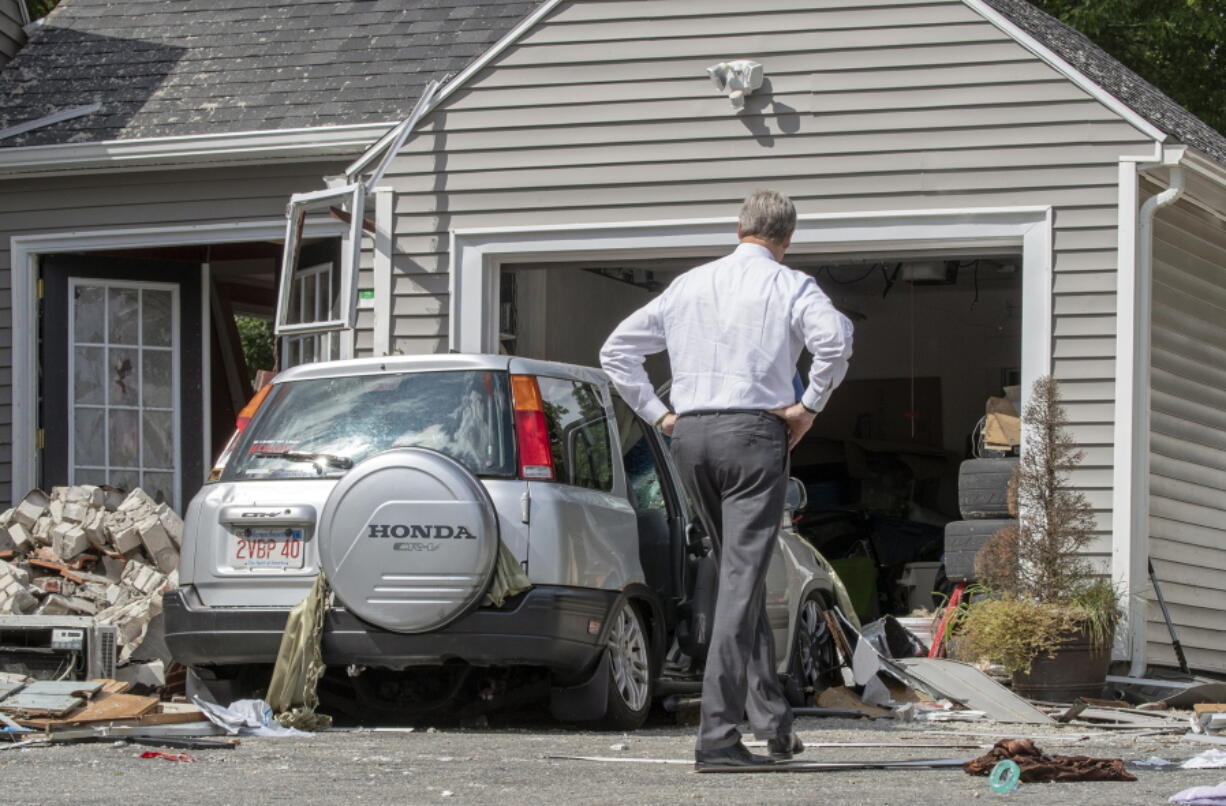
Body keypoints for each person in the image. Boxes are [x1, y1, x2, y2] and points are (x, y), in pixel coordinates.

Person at [599, 189, 854, 769]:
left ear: (739, 228)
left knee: (743, 578)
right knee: (741, 581)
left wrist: (658, 415)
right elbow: (835, 341)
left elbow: (617, 352)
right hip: (753, 437)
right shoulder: (791, 286)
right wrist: (810, 405)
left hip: (690, 437)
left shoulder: (688, 285)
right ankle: (716, 736)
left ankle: (773, 725)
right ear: (787, 240)